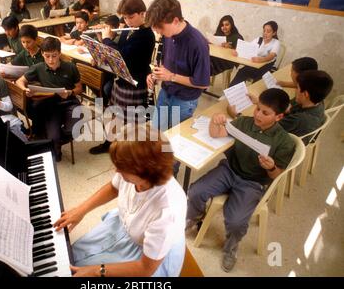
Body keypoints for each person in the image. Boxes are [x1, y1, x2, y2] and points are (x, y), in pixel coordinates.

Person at [53, 125, 187, 277]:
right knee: (71, 258)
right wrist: (81, 210)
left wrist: (98, 271)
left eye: (121, 168)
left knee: (81, 271)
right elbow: (114, 187)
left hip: (147, 260)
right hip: (127, 229)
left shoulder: (167, 211)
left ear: (145, 172)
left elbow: (145, 269)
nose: (115, 170)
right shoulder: (137, 175)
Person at [186, 88, 295, 272]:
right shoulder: (244, 122)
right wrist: (215, 121)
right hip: (230, 170)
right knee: (195, 191)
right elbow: (215, 134)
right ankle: (195, 216)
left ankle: (231, 248)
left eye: (265, 113)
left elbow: (276, 176)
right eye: (257, 108)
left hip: (253, 182)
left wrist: (270, 167)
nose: (258, 114)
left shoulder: (285, 142)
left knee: (236, 222)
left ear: (279, 117)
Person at [89, 0, 155, 155]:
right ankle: (108, 143)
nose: (127, 21)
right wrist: (101, 44)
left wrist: (106, 39)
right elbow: (116, 52)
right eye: (125, 17)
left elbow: (121, 54)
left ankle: (130, 152)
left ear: (142, 13)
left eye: (131, 17)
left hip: (135, 83)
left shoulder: (146, 35)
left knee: (131, 121)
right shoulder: (128, 30)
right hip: (121, 79)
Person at [145, 0, 210, 131]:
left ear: (175, 21)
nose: (157, 31)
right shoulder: (168, 35)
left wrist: (170, 76)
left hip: (184, 100)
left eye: (160, 27)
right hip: (166, 92)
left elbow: (202, 83)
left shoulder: (198, 43)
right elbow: (166, 66)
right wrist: (155, 75)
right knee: (157, 135)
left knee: (175, 140)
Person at [15, 37, 82, 161]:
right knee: (55, 149)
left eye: (54, 56)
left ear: (59, 53)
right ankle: (54, 145)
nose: (51, 60)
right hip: (51, 106)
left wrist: (70, 92)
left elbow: (79, 88)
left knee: (73, 130)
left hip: (70, 103)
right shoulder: (38, 67)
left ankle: (50, 140)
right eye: (47, 56)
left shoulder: (70, 67)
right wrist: (25, 90)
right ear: (42, 54)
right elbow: (19, 81)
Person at [240, 70, 333, 145]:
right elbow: (289, 110)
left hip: (272, 145)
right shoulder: (318, 102)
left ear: (305, 94)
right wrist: (261, 104)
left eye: (297, 88)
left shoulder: (299, 120)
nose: (295, 91)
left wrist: (237, 115)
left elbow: (262, 127)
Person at [229, 21, 280, 87]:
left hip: (266, 68)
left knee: (258, 82)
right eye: (264, 31)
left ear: (274, 33)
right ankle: (232, 93)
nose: (265, 33)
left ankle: (251, 95)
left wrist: (262, 59)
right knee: (241, 72)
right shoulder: (258, 39)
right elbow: (247, 48)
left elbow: (272, 56)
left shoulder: (276, 43)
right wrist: (237, 51)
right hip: (253, 65)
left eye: (268, 31)